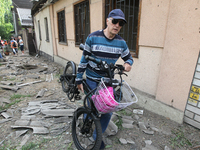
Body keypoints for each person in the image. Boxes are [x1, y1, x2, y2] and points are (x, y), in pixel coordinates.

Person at [75, 9, 133, 149]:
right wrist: (78, 78)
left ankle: (97, 136)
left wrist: (127, 64)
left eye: (121, 23)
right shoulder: (93, 37)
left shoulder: (121, 43)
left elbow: (129, 58)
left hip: (107, 81)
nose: (117, 25)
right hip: (91, 79)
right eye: (114, 21)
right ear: (108, 20)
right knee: (91, 106)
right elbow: (84, 59)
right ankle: (86, 122)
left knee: (108, 109)